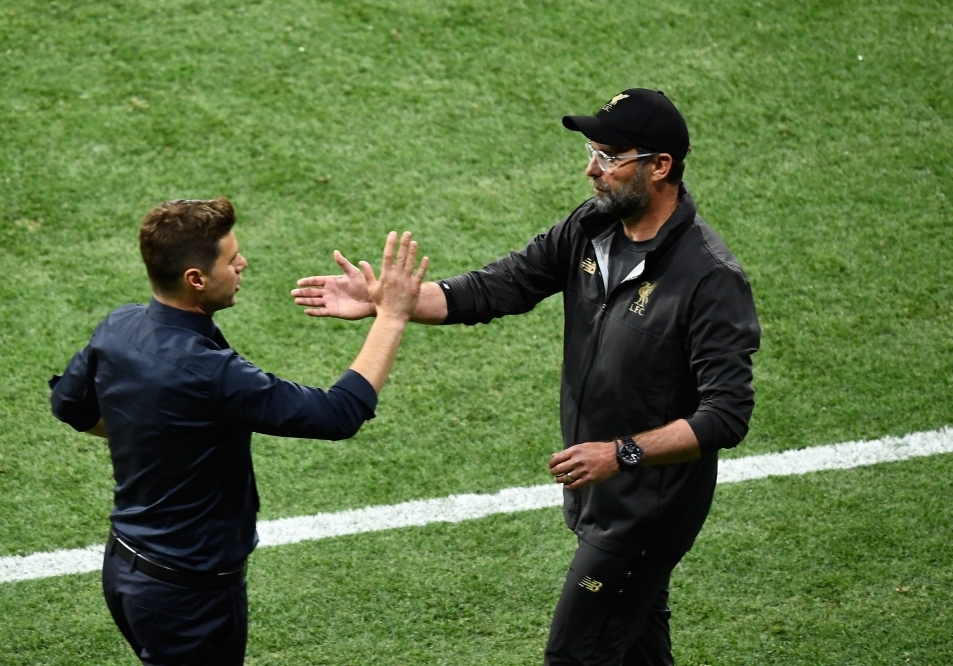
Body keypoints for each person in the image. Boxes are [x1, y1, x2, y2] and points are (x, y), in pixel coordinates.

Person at [291, 89, 761, 664]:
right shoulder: (592, 227)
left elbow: (726, 415)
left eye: (611, 157)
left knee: (574, 657)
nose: (593, 169)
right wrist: (394, 301)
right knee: (638, 649)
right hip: (601, 494)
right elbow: (499, 287)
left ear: (659, 166)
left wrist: (622, 454)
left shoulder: (709, 277)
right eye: (592, 151)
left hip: (646, 511)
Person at [49, 196, 428, 666]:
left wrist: (157, 434)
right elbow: (337, 415)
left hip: (126, 570)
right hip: (189, 598)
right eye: (232, 260)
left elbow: (69, 405)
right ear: (196, 279)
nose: (242, 264)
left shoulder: (118, 328)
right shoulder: (211, 374)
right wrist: (392, 316)